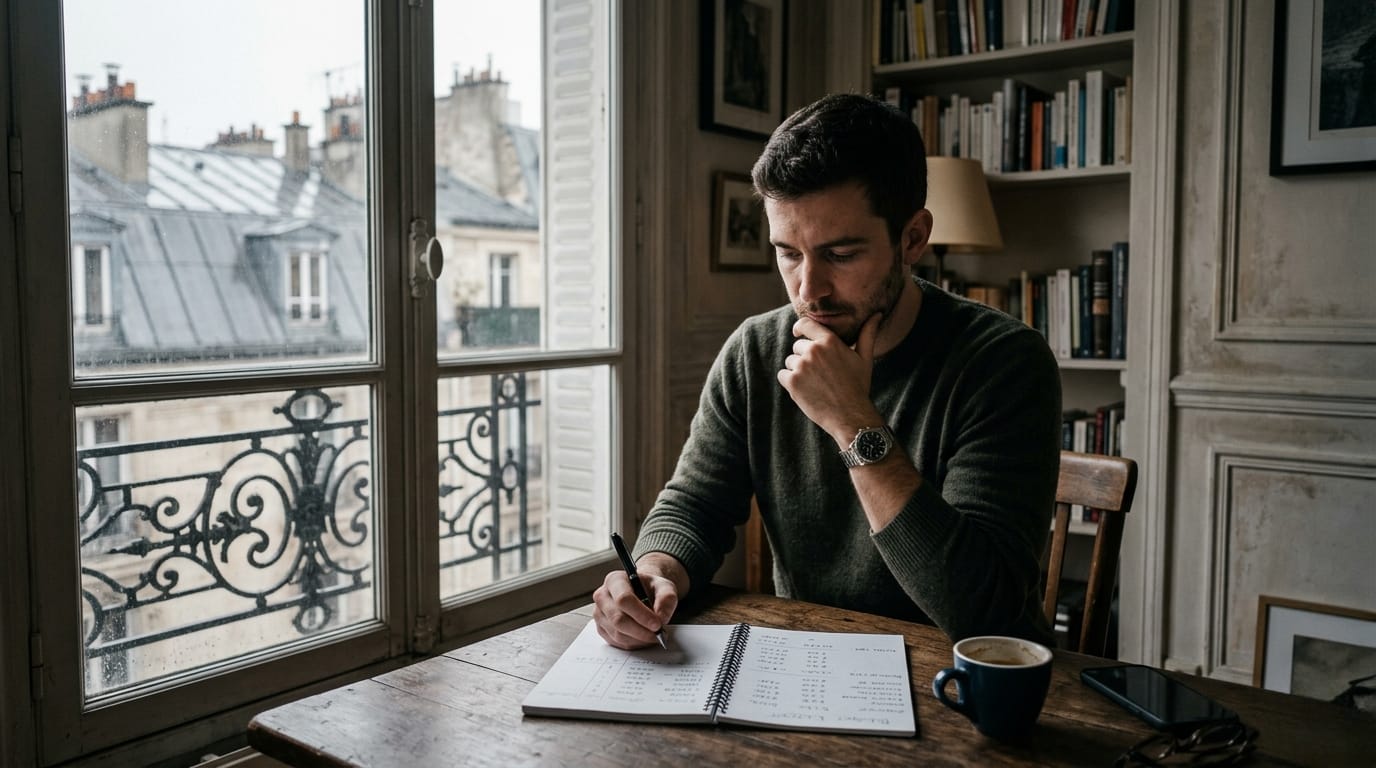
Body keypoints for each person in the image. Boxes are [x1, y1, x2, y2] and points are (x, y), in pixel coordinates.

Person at [593, 93, 1061, 649]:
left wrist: (853, 422)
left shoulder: (1005, 361)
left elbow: (987, 611)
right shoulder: (755, 352)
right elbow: (695, 505)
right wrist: (654, 572)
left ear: (913, 238)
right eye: (788, 253)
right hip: (807, 660)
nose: (808, 291)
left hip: (965, 676)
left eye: (840, 255)